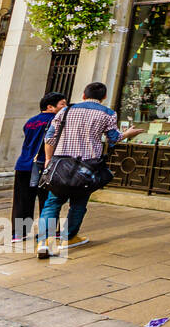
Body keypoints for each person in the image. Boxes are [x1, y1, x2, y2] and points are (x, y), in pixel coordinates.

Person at [39, 82, 142, 258]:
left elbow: (50, 136)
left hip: (61, 162)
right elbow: (114, 138)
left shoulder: (66, 110)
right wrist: (128, 134)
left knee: (53, 202)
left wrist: (48, 159)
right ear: (104, 97)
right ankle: (68, 237)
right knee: (78, 203)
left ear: (84, 95)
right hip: (87, 166)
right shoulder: (107, 113)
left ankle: (45, 241)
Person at [12, 92, 67, 242]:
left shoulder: (30, 121)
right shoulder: (56, 121)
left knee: (22, 199)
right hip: (44, 165)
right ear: (50, 107)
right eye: (62, 104)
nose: (65, 107)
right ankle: (47, 230)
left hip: (23, 164)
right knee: (48, 200)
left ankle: (19, 233)